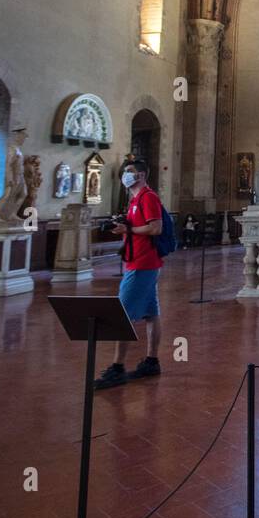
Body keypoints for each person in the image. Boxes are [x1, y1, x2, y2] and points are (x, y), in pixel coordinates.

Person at [95, 159, 165, 389]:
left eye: (130, 172)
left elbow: (155, 228)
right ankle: (152, 360)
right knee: (151, 314)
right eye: (124, 171)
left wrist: (129, 229)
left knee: (122, 314)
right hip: (139, 262)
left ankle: (117, 367)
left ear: (142, 175)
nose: (125, 175)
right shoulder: (135, 199)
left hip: (143, 264)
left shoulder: (148, 197)